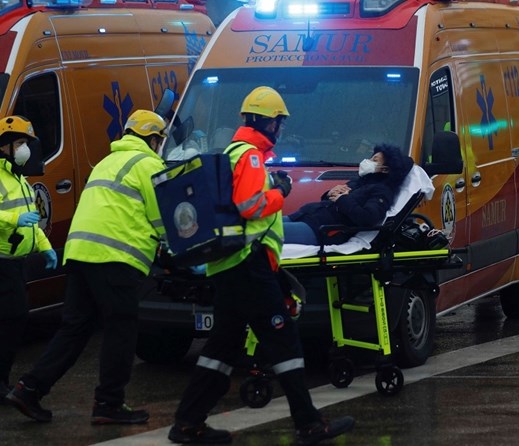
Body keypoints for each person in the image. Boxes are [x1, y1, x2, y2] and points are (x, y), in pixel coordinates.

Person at [168, 86, 354, 445]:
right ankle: (309, 425)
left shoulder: (234, 152)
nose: (280, 129)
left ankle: (188, 422)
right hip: (249, 268)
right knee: (284, 344)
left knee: (221, 349)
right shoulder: (251, 157)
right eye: (279, 123)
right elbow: (250, 205)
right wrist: (279, 192)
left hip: (230, 267)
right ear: (270, 123)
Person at [6, 110, 168, 424]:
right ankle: (109, 403)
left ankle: (30, 388)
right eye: (158, 140)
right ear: (152, 138)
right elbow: (163, 214)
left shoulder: (105, 162)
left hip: (80, 253)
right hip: (115, 257)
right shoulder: (149, 164)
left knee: (76, 328)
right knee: (121, 326)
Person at [0, 116, 57, 398]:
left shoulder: (19, 179)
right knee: (13, 318)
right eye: (20, 143)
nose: (25, 150)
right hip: (2, 262)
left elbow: (32, 222)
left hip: (16, 263)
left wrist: (45, 246)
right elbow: (18, 218)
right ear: (5, 146)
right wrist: (14, 218)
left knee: (13, 320)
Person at [284, 143, 412, 245]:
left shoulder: (381, 191)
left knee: (266, 232)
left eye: (374, 160)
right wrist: (330, 193)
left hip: (320, 230)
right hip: (305, 215)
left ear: (385, 169)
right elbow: (330, 201)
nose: (367, 161)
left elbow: (368, 217)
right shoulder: (359, 182)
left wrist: (343, 199)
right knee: (265, 222)